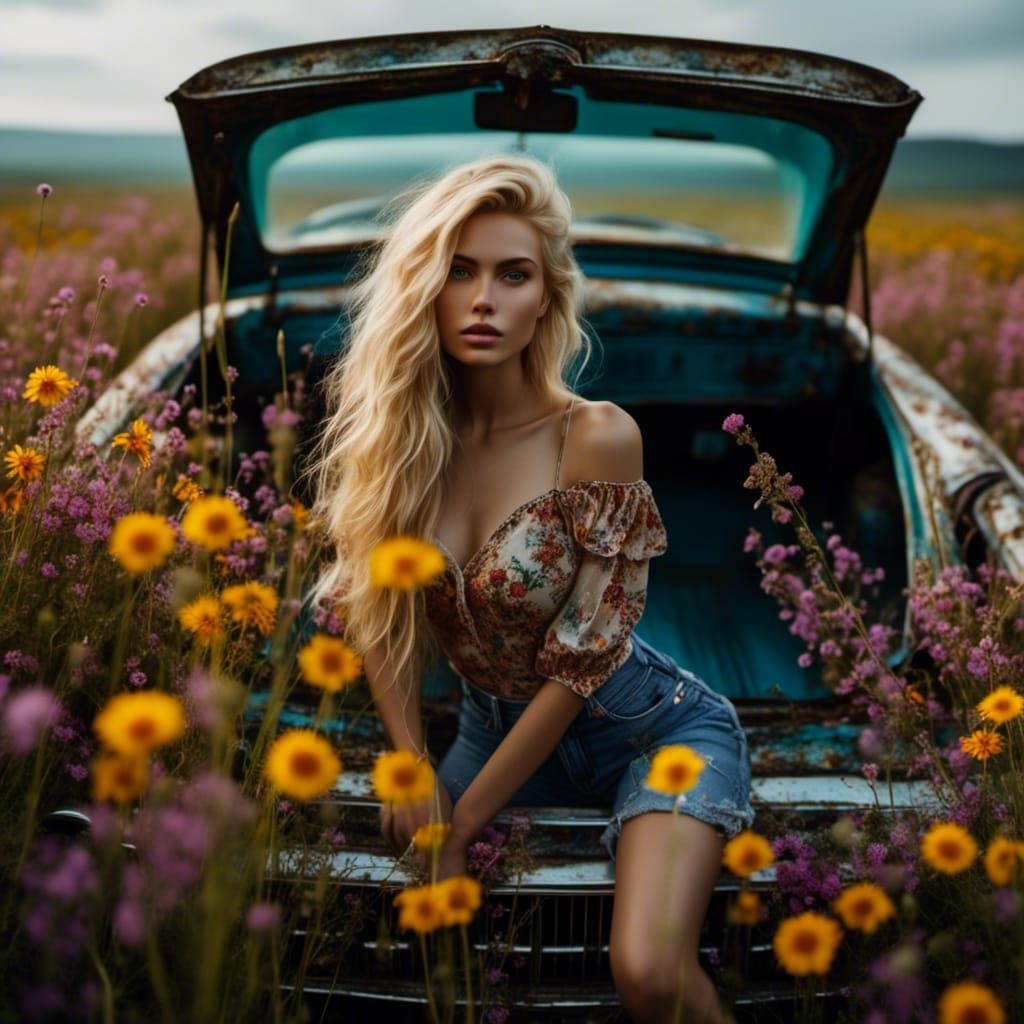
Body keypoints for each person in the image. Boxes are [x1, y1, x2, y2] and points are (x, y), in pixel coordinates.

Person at [306, 154, 755, 1024]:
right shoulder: (399, 443)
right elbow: (377, 610)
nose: (483, 300)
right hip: (492, 723)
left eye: (514, 275)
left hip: (649, 728)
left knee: (648, 972)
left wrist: (459, 821)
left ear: (546, 297)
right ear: (424, 290)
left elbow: (585, 656)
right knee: (407, 949)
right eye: (458, 272)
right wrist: (409, 765)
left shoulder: (595, 436)